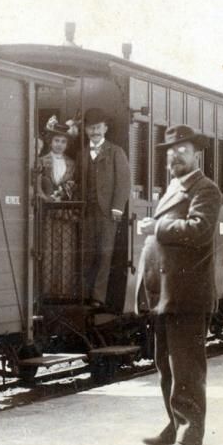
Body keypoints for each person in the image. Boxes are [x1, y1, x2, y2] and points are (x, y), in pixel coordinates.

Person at [136, 125, 222, 445]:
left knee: (187, 367)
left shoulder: (206, 189)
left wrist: (156, 227)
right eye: (170, 151)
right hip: (166, 292)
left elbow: (199, 230)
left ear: (196, 153)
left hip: (186, 293)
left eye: (182, 149)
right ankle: (175, 424)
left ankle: (190, 435)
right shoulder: (174, 186)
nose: (175, 155)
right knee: (166, 365)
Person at [79, 107, 131, 308]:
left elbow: (124, 182)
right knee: (86, 254)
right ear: (85, 130)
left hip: (107, 212)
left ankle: (98, 297)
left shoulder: (116, 151)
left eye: (98, 128)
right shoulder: (82, 154)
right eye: (91, 128)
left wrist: (117, 208)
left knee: (104, 254)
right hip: (86, 211)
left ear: (106, 128)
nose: (95, 132)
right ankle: (85, 293)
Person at [37, 120, 78, 299]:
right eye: (56, 141)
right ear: (50, 142)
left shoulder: (72, 164)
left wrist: (65, 196)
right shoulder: (41, 161)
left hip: (65, 214)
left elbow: (74, 188)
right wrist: (47, 199)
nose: (59, 145)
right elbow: (36, 186)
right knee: (49, 250)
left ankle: (64, 292)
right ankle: (47, 291)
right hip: (47, 213)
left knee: (65, 251)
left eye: (63, 142)